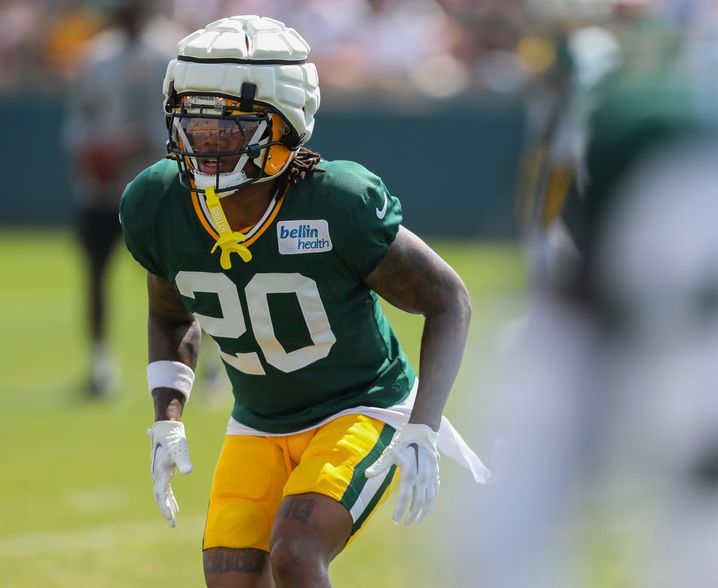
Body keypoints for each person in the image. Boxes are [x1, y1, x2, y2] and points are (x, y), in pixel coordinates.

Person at [118, 15, 489, 588]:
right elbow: (171, 314)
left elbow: (448, 299)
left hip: (360, 406)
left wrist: (422, 426)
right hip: (258, 421)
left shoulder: (335, 201)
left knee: (294, 552)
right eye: (194, 125)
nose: (205, 143)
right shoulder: (158, 201)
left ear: (284, 123)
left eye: (227, 128)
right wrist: (167, 420)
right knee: (231, 580)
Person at [62, 0, 175, 396]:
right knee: (95, 273)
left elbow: (188, 117)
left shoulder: (173, 51)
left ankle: (207, 363)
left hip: (161, 183)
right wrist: (90, 152)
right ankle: (100, 364)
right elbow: (80, 116)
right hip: (106, 188)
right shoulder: (98, 54)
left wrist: (149, 142)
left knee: (186, 276)